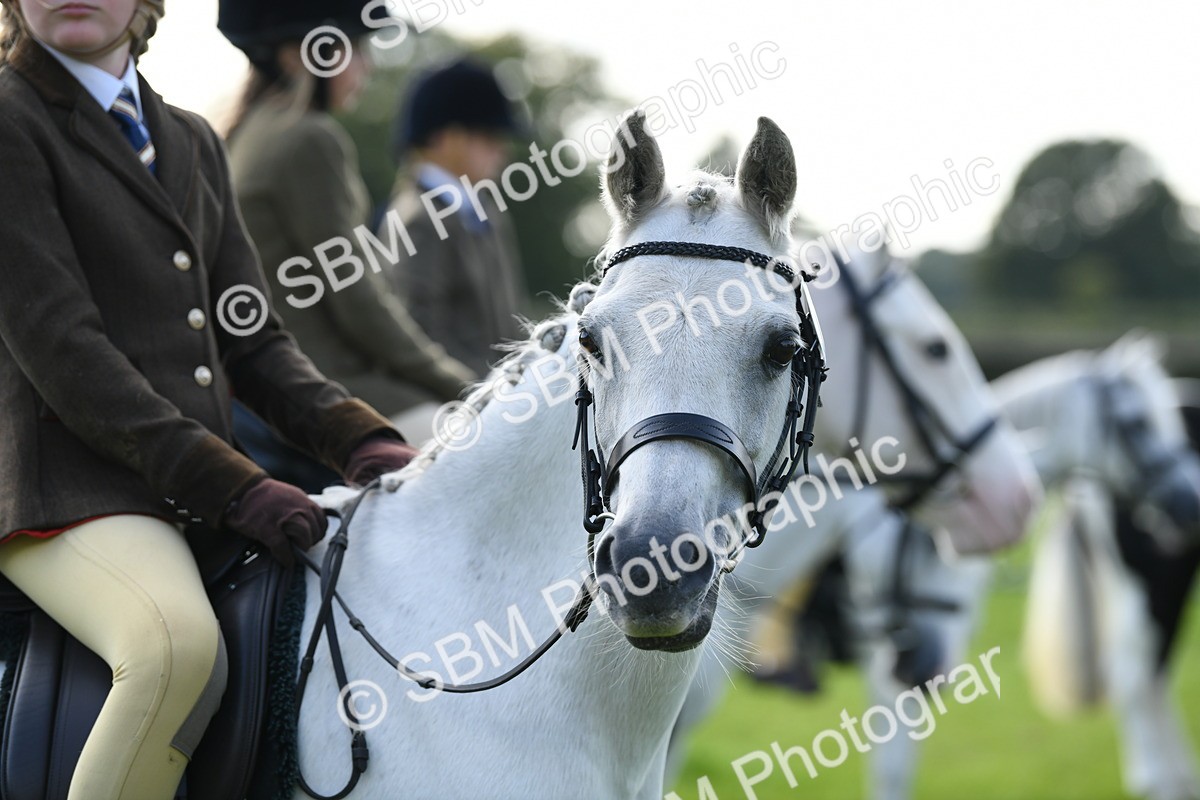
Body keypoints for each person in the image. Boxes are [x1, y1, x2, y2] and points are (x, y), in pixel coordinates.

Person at [0, 2, 416, 797]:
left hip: (180, 489)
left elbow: (251, 339)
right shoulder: (9, 121)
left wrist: (365, 443)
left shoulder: (189, 137)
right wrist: (237, 486)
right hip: (63, 488)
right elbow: (66, 352)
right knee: (173, 649)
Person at [220, 1, 477, 450]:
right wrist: (460, 383)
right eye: (356, 47)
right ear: (299, 53)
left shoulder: (248, 132)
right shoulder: (310, 139)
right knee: (485, 445)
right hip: (328, 382)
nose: (369, 65)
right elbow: (357, 298)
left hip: (269, 379)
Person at [383, 58, 529, 433]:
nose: (502, 151)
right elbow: (422, 335)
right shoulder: (417, 219)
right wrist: (491, 397)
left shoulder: (487, 212)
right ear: (446, 138)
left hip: (499, 395)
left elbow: (512, 324)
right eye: (489, 137)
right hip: (448, 408)